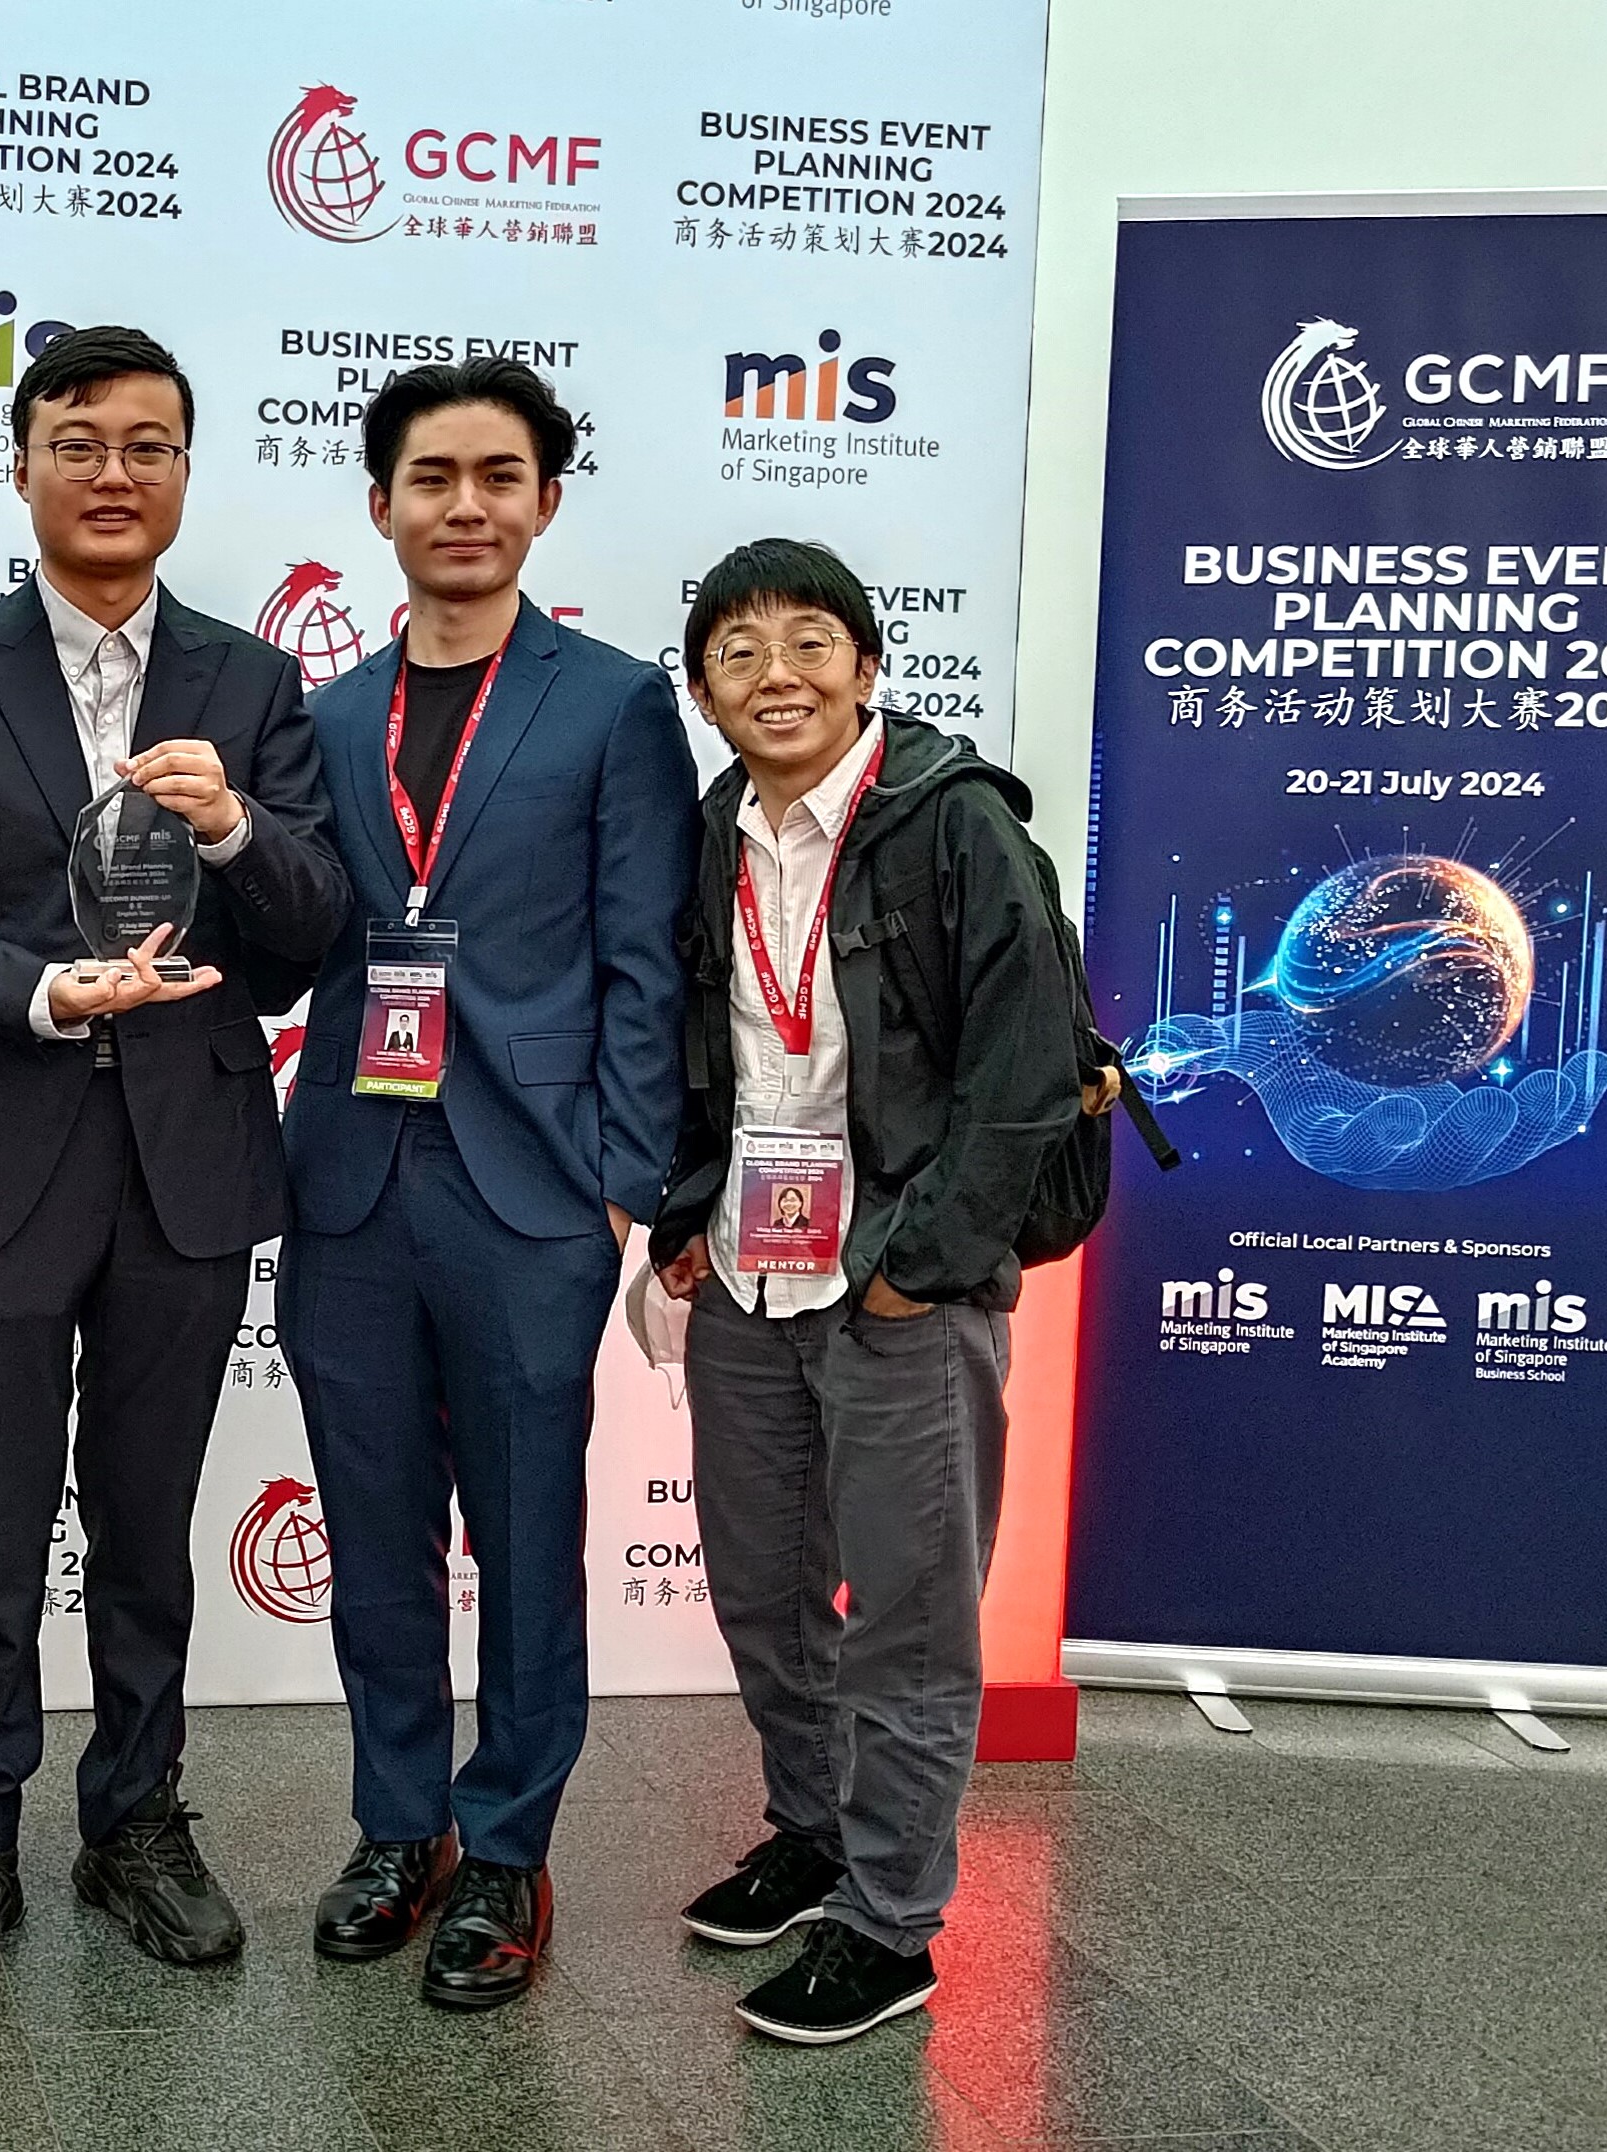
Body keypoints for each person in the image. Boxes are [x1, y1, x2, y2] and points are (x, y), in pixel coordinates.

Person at [0, 324, 347, 1995]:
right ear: (21, 465)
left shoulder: (256, 681)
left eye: (149, 444)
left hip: (190, 1159)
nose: (114, 472)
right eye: (80, 441)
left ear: (187, 474)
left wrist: (232, 830)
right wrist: (48, 988)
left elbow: (307, 931)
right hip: (5, 1140)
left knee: (149, 1520)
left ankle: (136, 1815)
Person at [274, 359, 698, 2009]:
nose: (465, 504)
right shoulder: (321, 719)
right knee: (373, 1526)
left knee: (527, 1537)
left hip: (531, 1193)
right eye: (432, 477)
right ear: (378, 504)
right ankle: (400, 1822)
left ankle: (509, 1848)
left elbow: (646, 965)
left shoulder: (608, 703)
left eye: (498, 476)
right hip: (351, 1183)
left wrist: (628, 1179)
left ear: (544, 502)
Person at [647, 539, 1083, 2045]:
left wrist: (923, 1267)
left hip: (897, 1277)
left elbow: (1026, 1071)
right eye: (740, 650)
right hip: (752, 1274)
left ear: (868, 668)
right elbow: (721, 1045)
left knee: (904, 1618)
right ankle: (816, 1832)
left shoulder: (956, 829)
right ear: (703, 689)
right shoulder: (715, 828)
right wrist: (687, 1209)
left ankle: (893, 1922)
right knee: (765, 1591)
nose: (777, 674)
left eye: (810, 641)